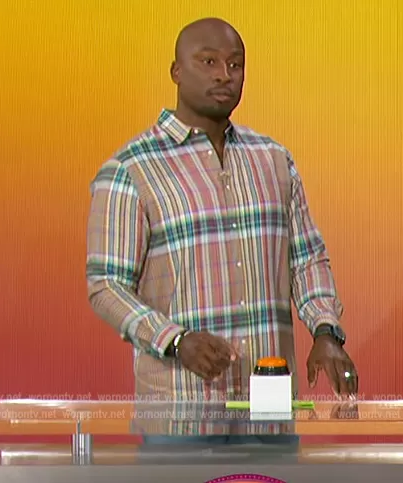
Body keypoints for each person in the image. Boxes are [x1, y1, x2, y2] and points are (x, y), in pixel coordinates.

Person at [86, 17, 358, 445]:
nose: (224, 75)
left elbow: (307, 258)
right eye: (208, 61)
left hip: (269, 414)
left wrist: (325, 330)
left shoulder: (273, 160)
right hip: (182, 418)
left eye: (235, 64)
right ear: (176, 71)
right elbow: (106, 285)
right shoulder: (131, 169)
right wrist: (176, 341)